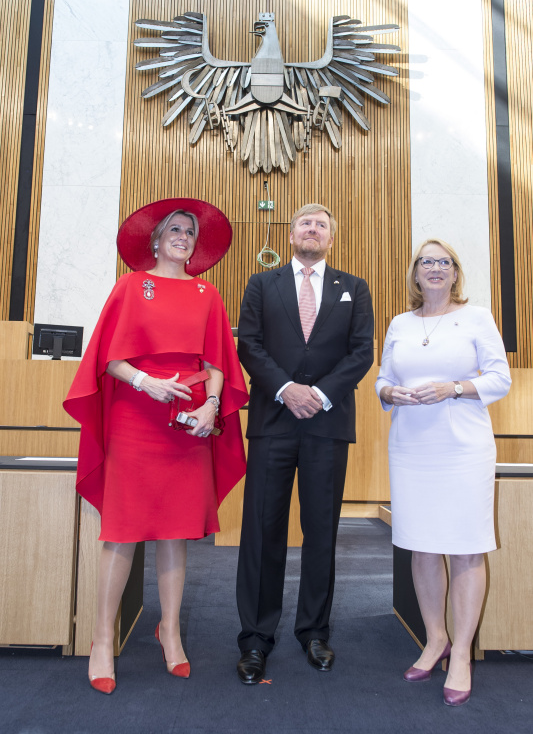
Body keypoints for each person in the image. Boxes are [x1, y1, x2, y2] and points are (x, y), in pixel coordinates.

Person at [64, 198, 248, 694]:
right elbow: (107, 357)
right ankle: (103, 639)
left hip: (187, 423)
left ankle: (170, 632)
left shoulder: (208, 293)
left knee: (174, 529)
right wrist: (146, 382)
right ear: (156, 238)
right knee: (122, 530)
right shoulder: (130, 286)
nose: (183, 236)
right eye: (174, 229)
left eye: (190, 231)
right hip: (136, 419)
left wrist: (211, 406)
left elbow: (217, 363)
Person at [235, 203, 374, 684]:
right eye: (304, 223)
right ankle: (255, 639)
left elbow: (362, 351)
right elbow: (248, 344)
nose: (311, 230)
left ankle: (314, 631)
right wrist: (285, 389)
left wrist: (317, 394)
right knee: (261, 531)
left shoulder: (353, 288)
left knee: (321, 532)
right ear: (290, 234)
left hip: (326, 423)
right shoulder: (261, 284)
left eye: (321, 225)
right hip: (273, 420)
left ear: (331, 239)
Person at [375, 238, 511, 707]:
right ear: (415, 274)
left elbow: (500, 378)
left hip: (462, 448)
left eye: (444, 262)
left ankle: (462, 655)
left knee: (466, 547)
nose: (435, 268)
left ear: (455, 274)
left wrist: (453, 387)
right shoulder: (399, 322)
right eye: (426, 262)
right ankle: (435, 639)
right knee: (423, 544)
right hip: (411, 447)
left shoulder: (476, 318)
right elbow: (382, 378)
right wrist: (390, 395)